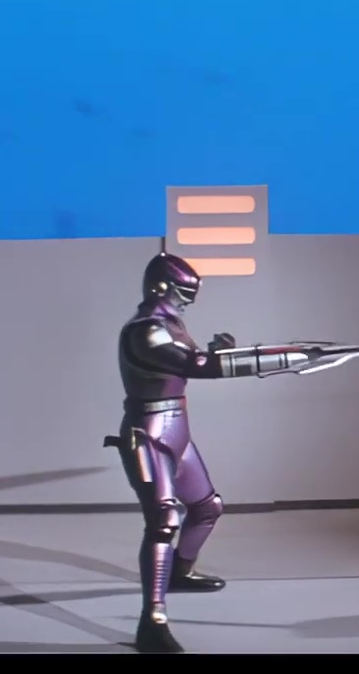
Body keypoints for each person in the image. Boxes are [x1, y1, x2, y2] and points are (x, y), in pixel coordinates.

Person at [110, 251, 333, 653]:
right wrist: (269, 360)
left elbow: (196, 361)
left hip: (177, 428)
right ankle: (152, 621)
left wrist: (223, 353)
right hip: (149, 433)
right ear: (161, 287)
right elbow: (196, 365)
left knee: (207, 507)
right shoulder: (145, 331)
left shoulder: (170, 325)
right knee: (163, 521)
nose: (186, 302)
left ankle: (179, 572)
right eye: (182, 294)